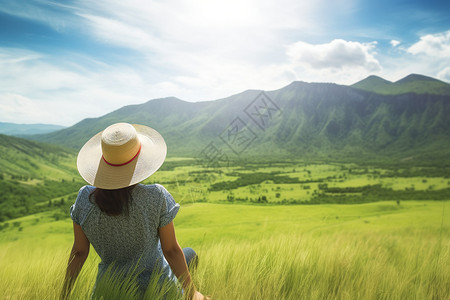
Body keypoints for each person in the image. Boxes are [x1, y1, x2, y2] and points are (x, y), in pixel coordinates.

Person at [61, 123, 209, 299]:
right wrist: (192, 293)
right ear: (139, 162)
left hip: (108, 291)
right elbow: (170, 250)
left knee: (188, 253)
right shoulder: (156, 196)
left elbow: (79, 253)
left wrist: (63, 295)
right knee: (189, 253)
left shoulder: (85, 198)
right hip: (158, 290)